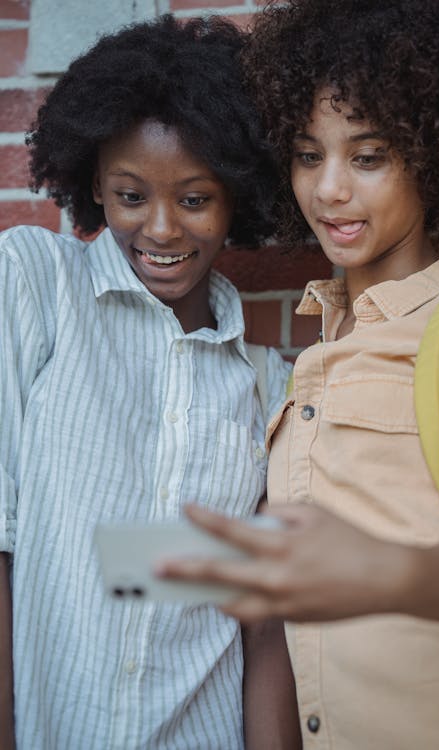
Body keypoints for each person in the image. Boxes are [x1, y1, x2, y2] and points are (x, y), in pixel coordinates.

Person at [157, 1, 439, 747]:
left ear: (435, 155)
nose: (329, 189)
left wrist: (391, 574)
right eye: (310, 155)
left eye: (368, 156)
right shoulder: (308, 358)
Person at [0, 14, 300, 750]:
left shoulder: (269, 385)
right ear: (95, 187)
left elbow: (259, 621)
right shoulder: (37, 287)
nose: (162, 229)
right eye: (131, 196)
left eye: (194, 200)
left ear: (236, 199)